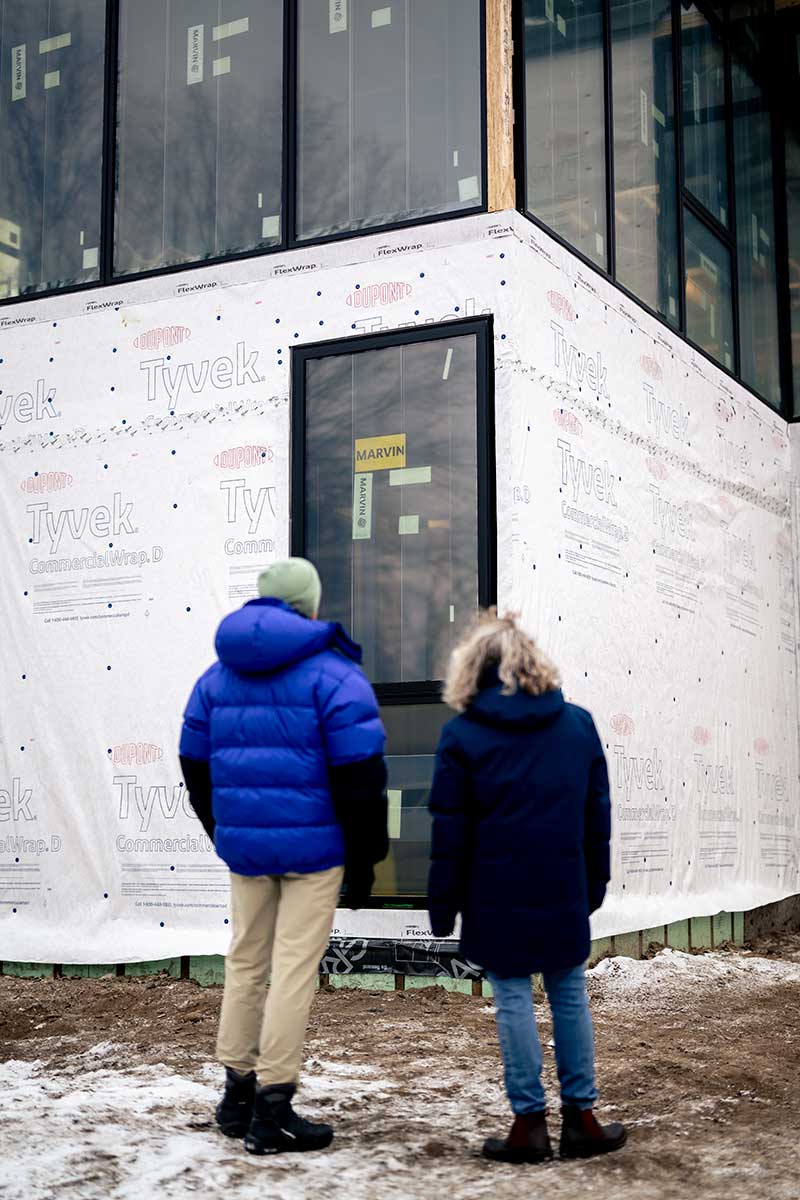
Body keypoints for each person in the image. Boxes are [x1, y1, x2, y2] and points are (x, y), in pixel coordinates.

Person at [179, 557, 387, 1156]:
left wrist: (222, 829)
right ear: (310, 606)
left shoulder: (215, 677)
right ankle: (274, 1109)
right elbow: (361, 776)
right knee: (293, 968)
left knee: (245, 963)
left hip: (247, 849)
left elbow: (192, 762)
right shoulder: (334, 675)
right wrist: (367, 859)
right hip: (315, 851)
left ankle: (235, 1094)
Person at [427, 609, 625, 1164]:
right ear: (533, 662)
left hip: (494, 895)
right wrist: (594, 887)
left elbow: (450, 831)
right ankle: (582, 1120)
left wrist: (442, 906)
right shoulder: (578, 725)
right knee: (568, 993)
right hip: (562, 886)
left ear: (473, 670)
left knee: (512, 995)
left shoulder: (461, 735)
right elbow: (597, 817)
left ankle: (528, 1126)